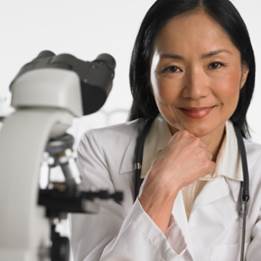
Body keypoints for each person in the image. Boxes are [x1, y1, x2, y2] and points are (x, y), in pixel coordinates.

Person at [71, 0, 261, 260]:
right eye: (173, 68)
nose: (195, 90)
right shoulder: (102, 151)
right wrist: (162, 185)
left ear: (243, 72)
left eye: (215, 65)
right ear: (148, 76)